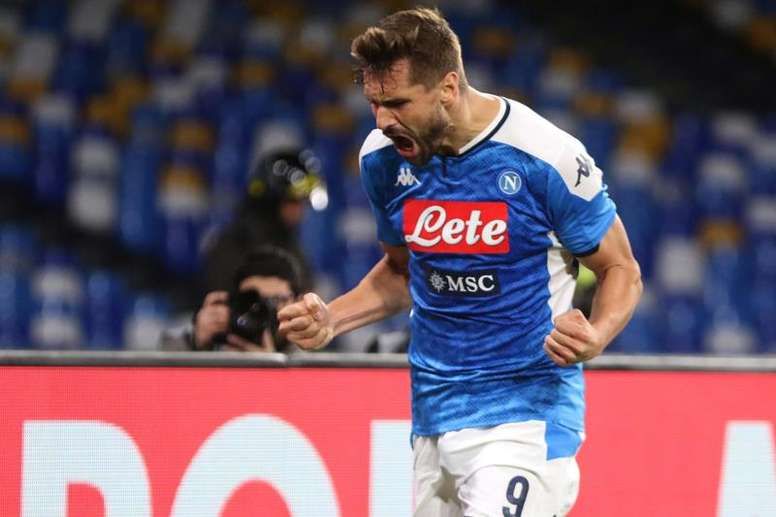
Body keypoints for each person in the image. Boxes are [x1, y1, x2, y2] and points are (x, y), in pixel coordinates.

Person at [278, 7, 642, 516]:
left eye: (399, 103)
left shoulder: (544, 156)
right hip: (433, 415)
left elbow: (621, 268)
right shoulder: (381, 159)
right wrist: (332, 319)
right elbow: (405, 271)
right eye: (375, 104)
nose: (384, 120)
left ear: (448, 87)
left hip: (527, 416)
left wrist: (598, 333)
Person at [201, 147, 321, 293]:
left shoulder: (293, 248)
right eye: (293, 202)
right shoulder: (233, 246)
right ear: (271, 201)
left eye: (303, 202)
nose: (300, 211)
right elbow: (222, 302)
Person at [160, 246, 303, 352]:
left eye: (276, 300)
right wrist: (196, 346)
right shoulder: (219, 339)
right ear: (235, 302)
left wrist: (270, 369)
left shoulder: (307, 363)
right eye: (253, 300)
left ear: (298, 303)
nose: (263, 308)